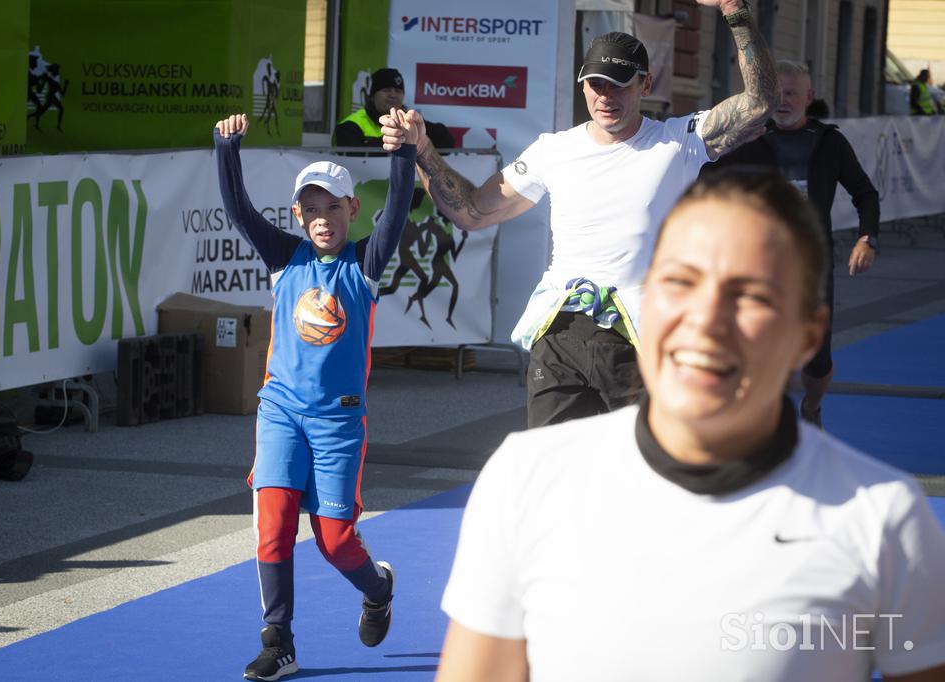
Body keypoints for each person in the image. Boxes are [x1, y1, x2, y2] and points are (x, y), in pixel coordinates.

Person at [436, 168, 945, 681]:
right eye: (680, 282)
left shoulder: (881, 518)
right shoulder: (529, 479)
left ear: (808, 335)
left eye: (751, 296)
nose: (705, 320)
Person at [382, 0, 780, 428]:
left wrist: (734, 11)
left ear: (645, 85)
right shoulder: (554, 150)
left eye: (619, 84)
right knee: (556, 476)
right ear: (582, 86)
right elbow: (473, 212)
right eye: (596, 84)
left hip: (641, 337)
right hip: (561, 334)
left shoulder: (677, 141)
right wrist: (422, 151)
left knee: (636, 481)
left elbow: (759, 101)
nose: (605, 96)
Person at [213, 110, 420, 681]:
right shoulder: (285, 256)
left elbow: (398, 210)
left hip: (337, 423)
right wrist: (226, 149)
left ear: (353, 210)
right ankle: (278, 640)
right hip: (281, 412)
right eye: (311, 208)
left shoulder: (364, 263)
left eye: (334, 206)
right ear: (297, 214)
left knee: (334, 541)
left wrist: (401, 153)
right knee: (273, 524)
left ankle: (377, 589)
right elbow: (239, 211)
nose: (322, 218)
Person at [705, 60, 879, 428]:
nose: (783, 101)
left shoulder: (829, 142)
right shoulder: (748, 138)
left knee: (817, 360)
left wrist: (867, 238)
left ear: (809, 97)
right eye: (777, 93)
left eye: (792, 94)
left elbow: (865, 194)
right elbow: (703, 183)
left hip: (811, 264)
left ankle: (812, 407)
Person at [334, 67, 455, 150]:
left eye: (398, 91)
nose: (393, 95)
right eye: (386, 90)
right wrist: (395, 139)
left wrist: (416, 132)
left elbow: (446, 141)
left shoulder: (409, 119)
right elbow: (351, 160)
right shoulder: (349, 126)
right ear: (372, 96)